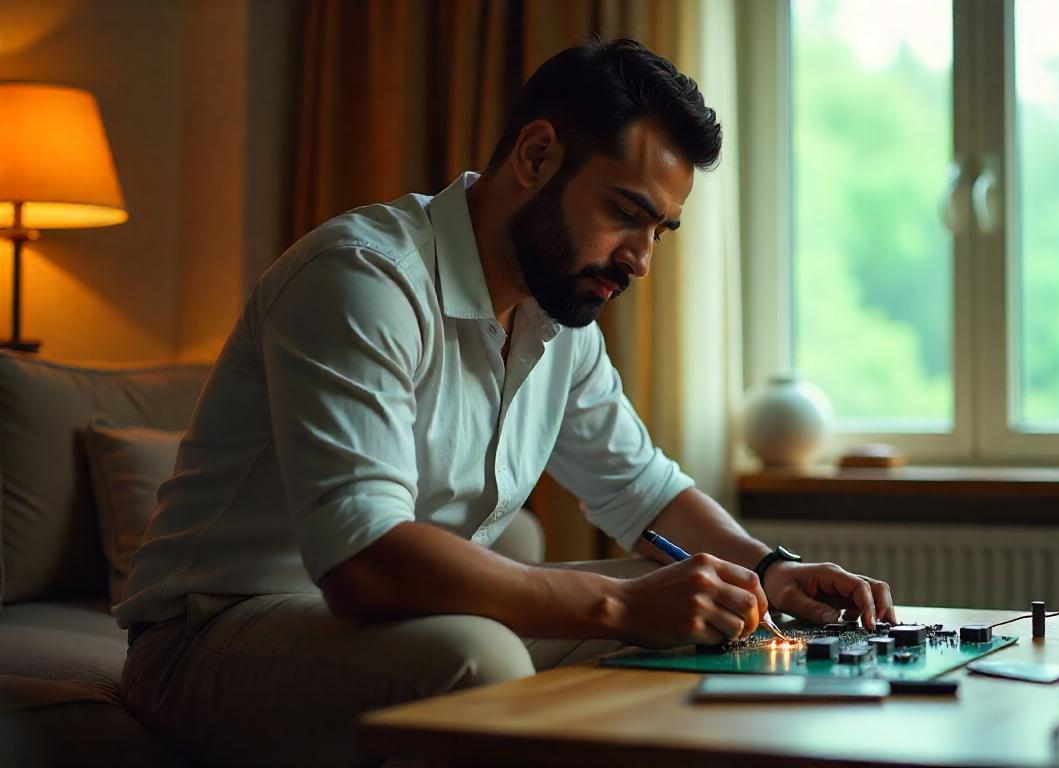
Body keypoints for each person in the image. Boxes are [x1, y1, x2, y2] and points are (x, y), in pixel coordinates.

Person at [115, 38, 895, 765]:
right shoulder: (361, 278)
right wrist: (619, 608)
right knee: (478, 656)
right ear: (536, 154)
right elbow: (364, 561)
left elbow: (642, 490)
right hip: (209, 636)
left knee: (714, 616)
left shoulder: (559, 316)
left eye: (661, 230)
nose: (641, 260)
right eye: (626, 214)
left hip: (388, 626)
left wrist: (768, 571)